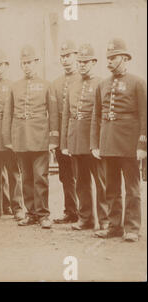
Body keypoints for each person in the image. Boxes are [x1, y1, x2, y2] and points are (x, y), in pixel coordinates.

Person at [92, 38, 147, 242]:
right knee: (112, 188)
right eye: (108, 58)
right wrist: (95, 144)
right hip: (108, 143)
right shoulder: (102, 85)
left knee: (132, 189)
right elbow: (97, 117)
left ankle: (132, 228)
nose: (109, 62)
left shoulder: (138, 83)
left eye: (113, 57)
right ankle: (115, 226)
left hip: (129, 145)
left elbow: (145, 115)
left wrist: (142, 144)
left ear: (124, 58)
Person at [3, 45, 59, 229]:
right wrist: (8, 139)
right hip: (20, 137)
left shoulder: (46, 85)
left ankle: (43, 214)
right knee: (25, 177)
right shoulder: (15, 87)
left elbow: (53, 114)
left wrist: (53, 139)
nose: (27, 66)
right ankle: (31, 213)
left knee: (40, 177)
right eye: (23, 63)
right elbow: (8, 113)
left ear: (36, 63)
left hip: (40, 137)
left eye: (29, 62)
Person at [61, 44, 107, 231]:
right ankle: (86, 218)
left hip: (94, 141)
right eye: (80, 62)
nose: (82, 65)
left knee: (101, 182)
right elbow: (65, 115)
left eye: (86, 62)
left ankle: (105, 220)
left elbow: (102, 116)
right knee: (81, 182)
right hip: (76, 139)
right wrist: (65, 143)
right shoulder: (72, 86)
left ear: (94, 62)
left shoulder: (101, 83)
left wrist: (100, 142)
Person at [0, 49, 25, 221]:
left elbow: (16, 112)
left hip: (9, 137)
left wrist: (14, 138)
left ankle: (17, 208)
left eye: (0, 65)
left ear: (7, 66)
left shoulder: (14, 86)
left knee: (14, 173)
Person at [52, 40, 80, 224]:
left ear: (76, 56)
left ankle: (89, 213)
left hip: (79, 134)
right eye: (62, 57)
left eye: (68, 56)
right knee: (65, 175)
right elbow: (54, 114)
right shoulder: (56, 83)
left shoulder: (84, 79)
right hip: (62, 136)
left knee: (84, 175)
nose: (65, 60)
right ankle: (71, 211)